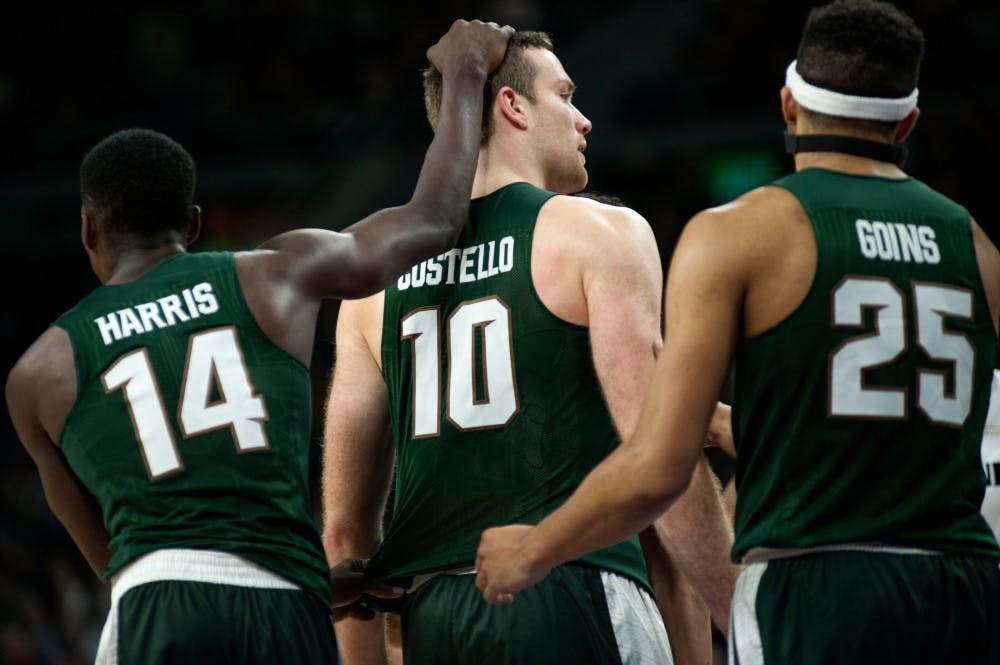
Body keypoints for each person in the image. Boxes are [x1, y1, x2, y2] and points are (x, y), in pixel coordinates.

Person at [474, 2, 1000, 664]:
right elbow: (887, 428)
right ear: (908, 122)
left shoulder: (738, 233)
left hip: (815, 585)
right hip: (964, 586)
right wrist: (731, 422)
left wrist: (531, 549)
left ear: (788, 105)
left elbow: (659, 468)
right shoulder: (976, 246)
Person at [4, 19, 513, 665]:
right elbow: (434, 221)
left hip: (156, 609)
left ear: (87, 229)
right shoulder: (275, 273)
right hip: (284, 605)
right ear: (192, 223)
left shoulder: (36, 373)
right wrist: (465, 69)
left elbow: (126, 563)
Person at [321, 29, 739, 665]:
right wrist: (740, 614)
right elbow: (663, 457)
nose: (585, 118)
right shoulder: (601, 232)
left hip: (437, 618)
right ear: (513, 106)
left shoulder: (371, 290)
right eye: (566, 95)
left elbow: (346, 537)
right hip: (573, 588)